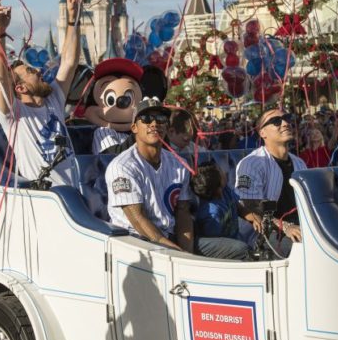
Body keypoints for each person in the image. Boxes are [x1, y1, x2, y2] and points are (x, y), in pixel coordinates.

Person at [0, 0, 82, 186]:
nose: (40, 71)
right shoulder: (13, 114)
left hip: (75, 195)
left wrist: (73, 20)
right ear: (20, 88)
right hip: (45, 201)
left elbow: (69, 62)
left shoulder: (53, 100)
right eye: (31, 72)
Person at [105, 98, 194, 252]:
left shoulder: (178, 164)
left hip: (170, 237)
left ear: (166, 126)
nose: (154, 124)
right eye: (146, 119)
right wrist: (176, 254)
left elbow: (183, 213)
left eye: (160, 119)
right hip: (134, 241)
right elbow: (138, 219)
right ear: (134, 128)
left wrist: (188, 252)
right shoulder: (122, 167)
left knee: (234, 249)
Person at [235, 109, 307, 257]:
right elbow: (247, 205)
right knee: (300, 247)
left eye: (287, 118)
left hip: (298, 225)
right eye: (276, 122)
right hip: (264, 232)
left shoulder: (299, 163)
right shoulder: (251, 164)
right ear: (263, 133)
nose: (285, 123)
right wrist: (285, 226)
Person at [191, 161, 262, 260]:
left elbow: (239, 208)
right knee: (245, 250)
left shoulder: (225, 191)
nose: (224, 171)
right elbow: (217, 245)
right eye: (220, 170)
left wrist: (253, 217)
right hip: (227, 251)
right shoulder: (212, 214)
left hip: (236, 238)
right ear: (218, 186)